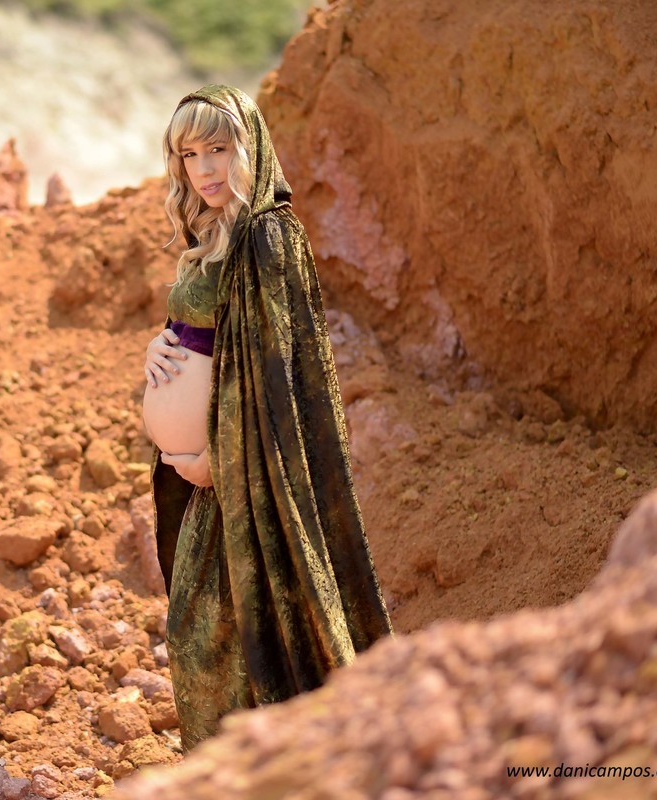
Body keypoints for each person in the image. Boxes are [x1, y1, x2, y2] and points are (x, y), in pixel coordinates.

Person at [141, 84, 394, 751]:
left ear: (247, 147)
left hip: (248, 479)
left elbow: (277, 381)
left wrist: (215, 458)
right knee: (199, 633)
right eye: (189, 153)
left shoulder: (270, 237)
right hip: (212, 483)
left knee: (254, 642)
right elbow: (209, 340)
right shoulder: (213, 235)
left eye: (218, 148)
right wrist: (160, 346)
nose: (203, 169)